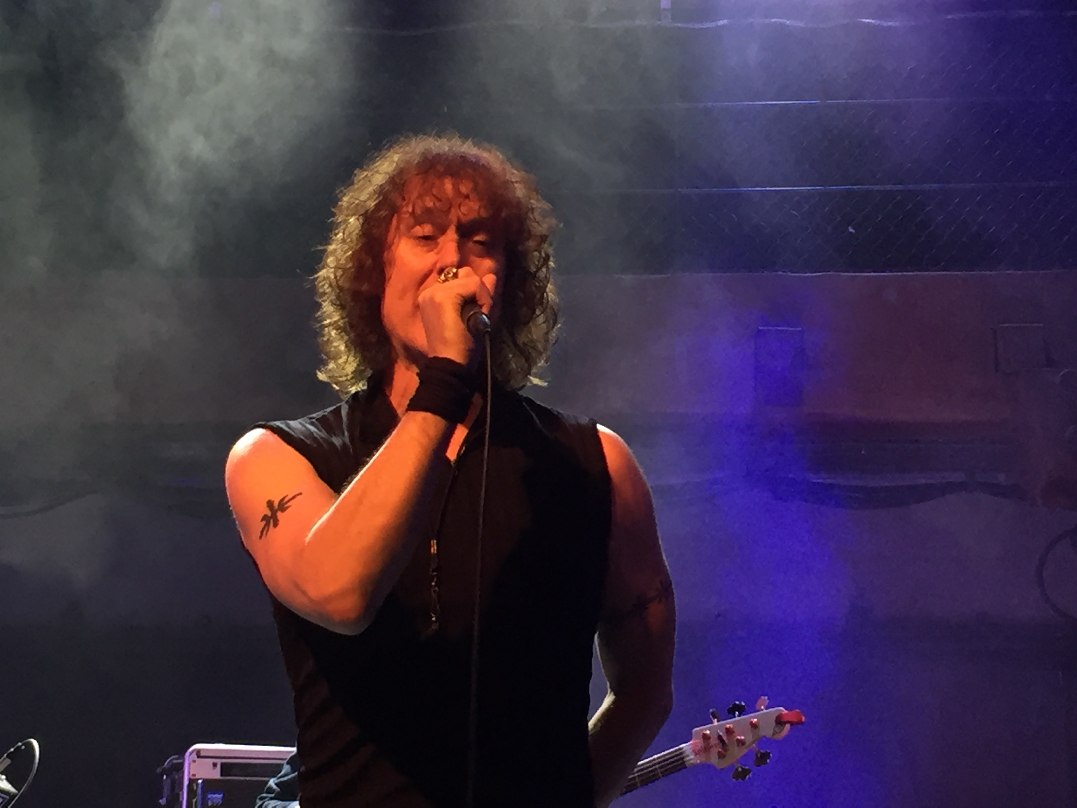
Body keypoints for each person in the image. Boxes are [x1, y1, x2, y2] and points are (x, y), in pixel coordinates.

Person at [226, 133, 675, 807]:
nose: (452, 263)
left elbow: (645, 689)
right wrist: (444, 383)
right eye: (425, 236)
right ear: (372, 273)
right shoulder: (277, 458)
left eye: (479, 242)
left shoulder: (595, 465)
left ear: (509, 283)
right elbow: (341, 595)